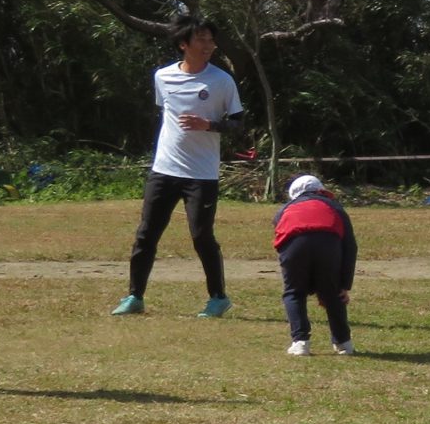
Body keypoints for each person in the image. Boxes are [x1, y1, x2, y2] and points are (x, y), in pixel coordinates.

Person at [114, 18, 243, 318]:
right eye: (201, 39)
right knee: (146, 234)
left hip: (202, 174)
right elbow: (167, 113)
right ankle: (134, 297)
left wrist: (208, 124)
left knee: (201, 236)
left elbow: (238, 124)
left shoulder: (222, 81)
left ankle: (218, 297)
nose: (208, 45)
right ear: (183, 44)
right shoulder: (163, 77)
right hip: (164, 169)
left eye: (211, 39)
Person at [273, 174, 357, 357]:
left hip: (293, 245)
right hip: (329, 244)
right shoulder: (335, 207)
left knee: (294, 292)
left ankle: (300, 342)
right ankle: (344, 343)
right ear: (321, 190)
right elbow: (350, 247)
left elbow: (280, 231)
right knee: (333, 293)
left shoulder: (285, 208)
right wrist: (343, 285)